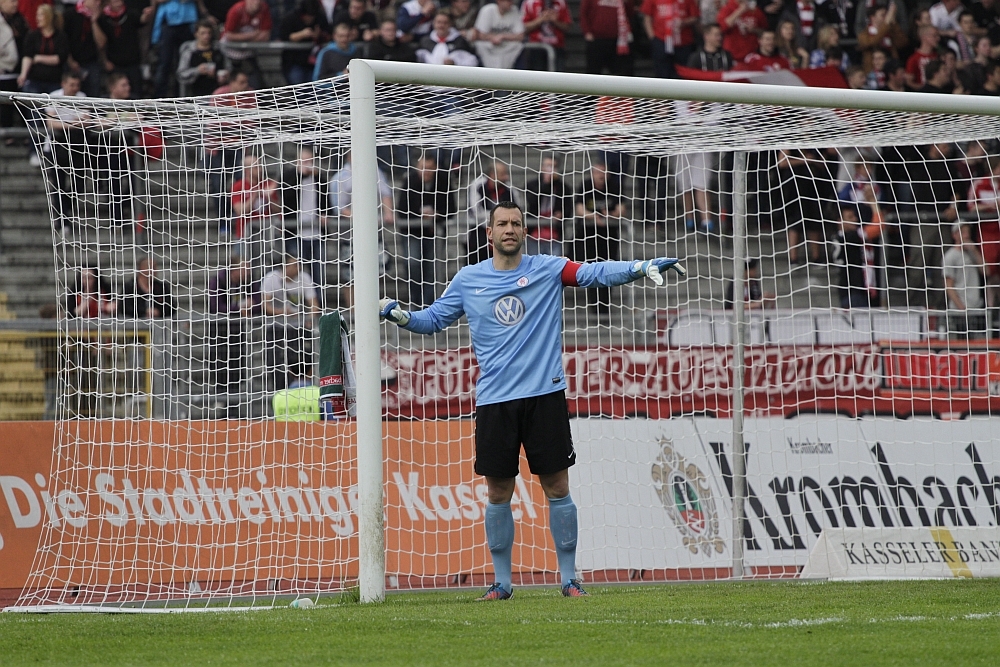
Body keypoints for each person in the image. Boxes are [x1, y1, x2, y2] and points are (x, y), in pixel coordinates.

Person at [377, 200, 684, 600]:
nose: (509, 229)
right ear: (489, 233)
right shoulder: (469, 279)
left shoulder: (547, 268)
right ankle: (502, 583)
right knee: (498, 492)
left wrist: (639, 267)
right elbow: (433, 319)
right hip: (495, 402)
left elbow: (593, 273)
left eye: (516, 223)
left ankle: (569, 579)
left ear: (525, 232)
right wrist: (400, 316)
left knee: (557, 486)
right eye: (502, 223)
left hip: (545, 396)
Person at [327, 148, 394, 307]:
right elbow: (339, 208)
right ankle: (353, 310)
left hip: (372, 234)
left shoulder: (375, 172)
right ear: (349, 157)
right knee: (349, 274)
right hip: (349, 235)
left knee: (378, 269)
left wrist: (388, 212)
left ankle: (375, 306)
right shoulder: (340, 178)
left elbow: (385, 192)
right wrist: (362, 219)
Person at [395, 153, 454, 307]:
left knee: (432, 270)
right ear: (417, 168)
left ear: (435, 168)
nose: (426, 172)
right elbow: (401, 210)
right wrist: (419, 215)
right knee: (413, 264)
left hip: (435, 233)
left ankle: (428, 305)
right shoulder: (409, 181)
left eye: (429, 168)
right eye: (422, 168)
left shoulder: (443, 181)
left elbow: (451, 209)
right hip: (412, 233)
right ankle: (415, 301)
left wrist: (436, 215)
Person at [261, 253, 319, 391]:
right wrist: (282, 312)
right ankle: (279, 391)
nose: (298, 267)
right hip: (277, 327)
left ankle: (304, 390)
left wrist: (310, 319)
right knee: (275, 362)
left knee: (304, 360)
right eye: (294, 265)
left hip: (298, 327)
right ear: (285, 266)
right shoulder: (271, 278)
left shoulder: (304, 278)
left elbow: (314, 304)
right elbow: (265, 305)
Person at [574, 161, 624, 316]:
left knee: (609, 272)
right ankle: (595, 308)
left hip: (609, 237)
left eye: (604, 173)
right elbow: (579, 208)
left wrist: (611, 215)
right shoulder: (586, 185)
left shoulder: (614, 186)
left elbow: (622, 208)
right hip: (589, 236)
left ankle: (605, 308)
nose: (601, 176)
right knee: (592, 271)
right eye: (598, 172)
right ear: (592, 174)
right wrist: (592, 216)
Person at [208, 256, 259, 409]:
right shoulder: (218, 281)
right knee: (221, 366)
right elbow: (216, 307)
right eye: (245, 268)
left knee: (237, 367)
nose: (248, 272)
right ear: (234, 270)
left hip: (238, 330)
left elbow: (258, 302)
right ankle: (221, 403)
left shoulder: (248, 282)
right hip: (219, 331)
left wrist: (248, 307)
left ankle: (234, 407)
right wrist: (239, 309)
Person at [281, 145, 330, 299]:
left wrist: (324, 214)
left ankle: (319, 304)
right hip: (295, 233)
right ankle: (297, 303)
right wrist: (301, 175)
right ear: (298, 162)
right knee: (296, 271)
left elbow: (327, 202)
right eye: (304, 161)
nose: (308, 164)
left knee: (318, 272)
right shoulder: (289, 177)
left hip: (316, 234)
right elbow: (285, 197)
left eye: (310, 161)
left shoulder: (320, 179)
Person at [467, 159, 522, 264]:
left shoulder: (510, 189)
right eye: (502, 174)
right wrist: (499, 218)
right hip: (479, 234)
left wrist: (499, 221)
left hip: (503, 234)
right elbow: (475, 212)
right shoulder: (477, 185)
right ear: (492, 175)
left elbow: (517, 211)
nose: (506, 177)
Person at [94, 0, 152, 97]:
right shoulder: (104, 18)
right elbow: (101, 44)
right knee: (118, 90)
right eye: (115, 1)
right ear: (109, 3)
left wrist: (147, 15)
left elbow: (142, 20)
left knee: (135, 92)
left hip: (132, 62)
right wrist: (105, 61)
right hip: (115, 64)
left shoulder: (130, 13)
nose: (118, 3)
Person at [152, 0, 208, 98]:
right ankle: (159, 98)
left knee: (183, 62)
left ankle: (181, 97)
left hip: (188, 22)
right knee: (164, 63)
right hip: (168, 22)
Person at [833, 201, 882, 309]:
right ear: (840, 222)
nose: (855, 219)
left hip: (850, 292)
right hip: (855, 293)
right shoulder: (849, 237)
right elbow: (878, 227)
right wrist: (873, 202)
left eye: (854, 216)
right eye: (850, 217)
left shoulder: (838, 238)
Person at [944, 222, 986, 338]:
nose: (966, 235)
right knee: (963, 343)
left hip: (976, 306)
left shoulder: (972, 253)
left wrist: (975, 251)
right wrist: (961, 307)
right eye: (962, 232)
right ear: (954, 235)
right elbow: (949, 285)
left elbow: (986, 271)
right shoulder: (950, 256)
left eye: (968, 232)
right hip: (960, 309)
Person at [524, 155, 572, 256]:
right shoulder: (532, 185)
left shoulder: (563, 188)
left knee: (555, 263)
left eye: (554, 167)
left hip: (554, 235)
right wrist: (546, 183)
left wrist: (561, 214)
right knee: (534, 263)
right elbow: (531, 203)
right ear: (542, 168)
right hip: (534, 234)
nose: (551, 170)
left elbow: (568, 209)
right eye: (548, 166)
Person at [641, 0, 700, 78]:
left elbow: (695, 16)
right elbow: (647, 18)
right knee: (662, 71)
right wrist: (653, 38)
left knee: (684, 72)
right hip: (661, 40)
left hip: (683, 42)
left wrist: (684, 22)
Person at [17, 3, 68, 94]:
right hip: (35, 80)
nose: (37, 18)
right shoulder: (32, 35)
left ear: (48, 17)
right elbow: (28, 56)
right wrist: (23, 74)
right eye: (37, 15)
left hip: (54, 81)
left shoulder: (60, 36)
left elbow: (60, 58)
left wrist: (38, 58)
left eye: (40, 15)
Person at [221, 0, 271, 89]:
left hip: (249, 51)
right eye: (253, 1)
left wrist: (245, 40)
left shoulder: (263, 7)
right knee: (229, 81)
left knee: (256, 83)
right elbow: (229, 35)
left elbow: (265, 35)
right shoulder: (236, 10)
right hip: (230, 52)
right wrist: (252, 35)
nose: (256, 3)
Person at [231, 153, 278, 241]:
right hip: (245, 234)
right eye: (256, 167)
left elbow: (278, 210)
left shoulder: (268, 184)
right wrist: (255, 195)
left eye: (260, 166)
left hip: (267, 233)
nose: (260, 169)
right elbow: (240, 211)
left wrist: (268, 197)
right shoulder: (238, 186)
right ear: (247, 170)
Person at [580, 0, 634, 75]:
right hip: (596, 40)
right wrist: (587, 32)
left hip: (617, 41)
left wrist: (627, 3)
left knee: (620, 71)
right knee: (594, 71)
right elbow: (583, 14)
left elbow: (629, 14)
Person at [177, 19, 228, 96]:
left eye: (209, 33)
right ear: (196, 34)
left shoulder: (219, 49)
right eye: (203, 33)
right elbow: (181, 74)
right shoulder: (189, 52)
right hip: (196, 94)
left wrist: (223, 76)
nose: (206, 36)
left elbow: (228, 68)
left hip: (218, 93)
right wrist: (197, 70)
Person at [62, 0, 102, 97]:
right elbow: (63, 40)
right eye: (95, 0)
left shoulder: (101, 16)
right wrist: (70, 61)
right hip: (71, 60)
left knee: (93, 94)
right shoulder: (69, 14)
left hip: (91, 62)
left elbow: (101, 43)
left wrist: (94, 21)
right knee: (70, 91)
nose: (98, 3)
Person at [0, 0, 28, 136]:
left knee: (23, 103)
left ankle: (25, 134)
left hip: (21, 69)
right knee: (5, 104)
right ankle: (8, 134)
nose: (15, 4)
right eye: (11, 1)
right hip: (4, 69)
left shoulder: (21, 20)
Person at [520, 0, 571, 70]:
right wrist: (541, 19)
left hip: (557, 48)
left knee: (558, 74)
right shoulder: (529, 2)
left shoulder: (561, 2)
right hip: (536, 48)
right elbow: (523, 28)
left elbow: (567, 27)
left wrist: (555, 21)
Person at [279, 0, 321, 85]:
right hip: (293, 61)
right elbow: (283, 36)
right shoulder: (290, 18)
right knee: (298, 86)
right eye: (308, 16)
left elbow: (328, 33)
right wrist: (301, 35)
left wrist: (319, 35)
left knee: (314, 87)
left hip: (313, 62)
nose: (310, 19)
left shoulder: (319, 18)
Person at [857, 2, 907, 73]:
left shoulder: (890, 30)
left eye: (887, 15)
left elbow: (902, 43)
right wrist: (886, 25)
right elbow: (871, 43)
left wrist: (894, 24)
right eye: (883, 15)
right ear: (873, 18)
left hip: (891, 70)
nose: (886, 18)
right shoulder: (864, 34)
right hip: (872, 72)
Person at [473, 0, 523, 69]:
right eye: (508, 1)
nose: (511, 3)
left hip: (507, 47)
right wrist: (493, 38)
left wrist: (502, 36)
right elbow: (480, 35)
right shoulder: (487, 10)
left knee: (518, 45)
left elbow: (520, 36)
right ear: (499, 1)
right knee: (480, 45)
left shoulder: (514, 10)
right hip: (489, 47)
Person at [906, 24, 940, 89]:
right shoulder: (914, 59)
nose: (938, 38)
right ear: (924, 37)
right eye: (934, 36)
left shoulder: (938, 56)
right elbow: (909, 82)